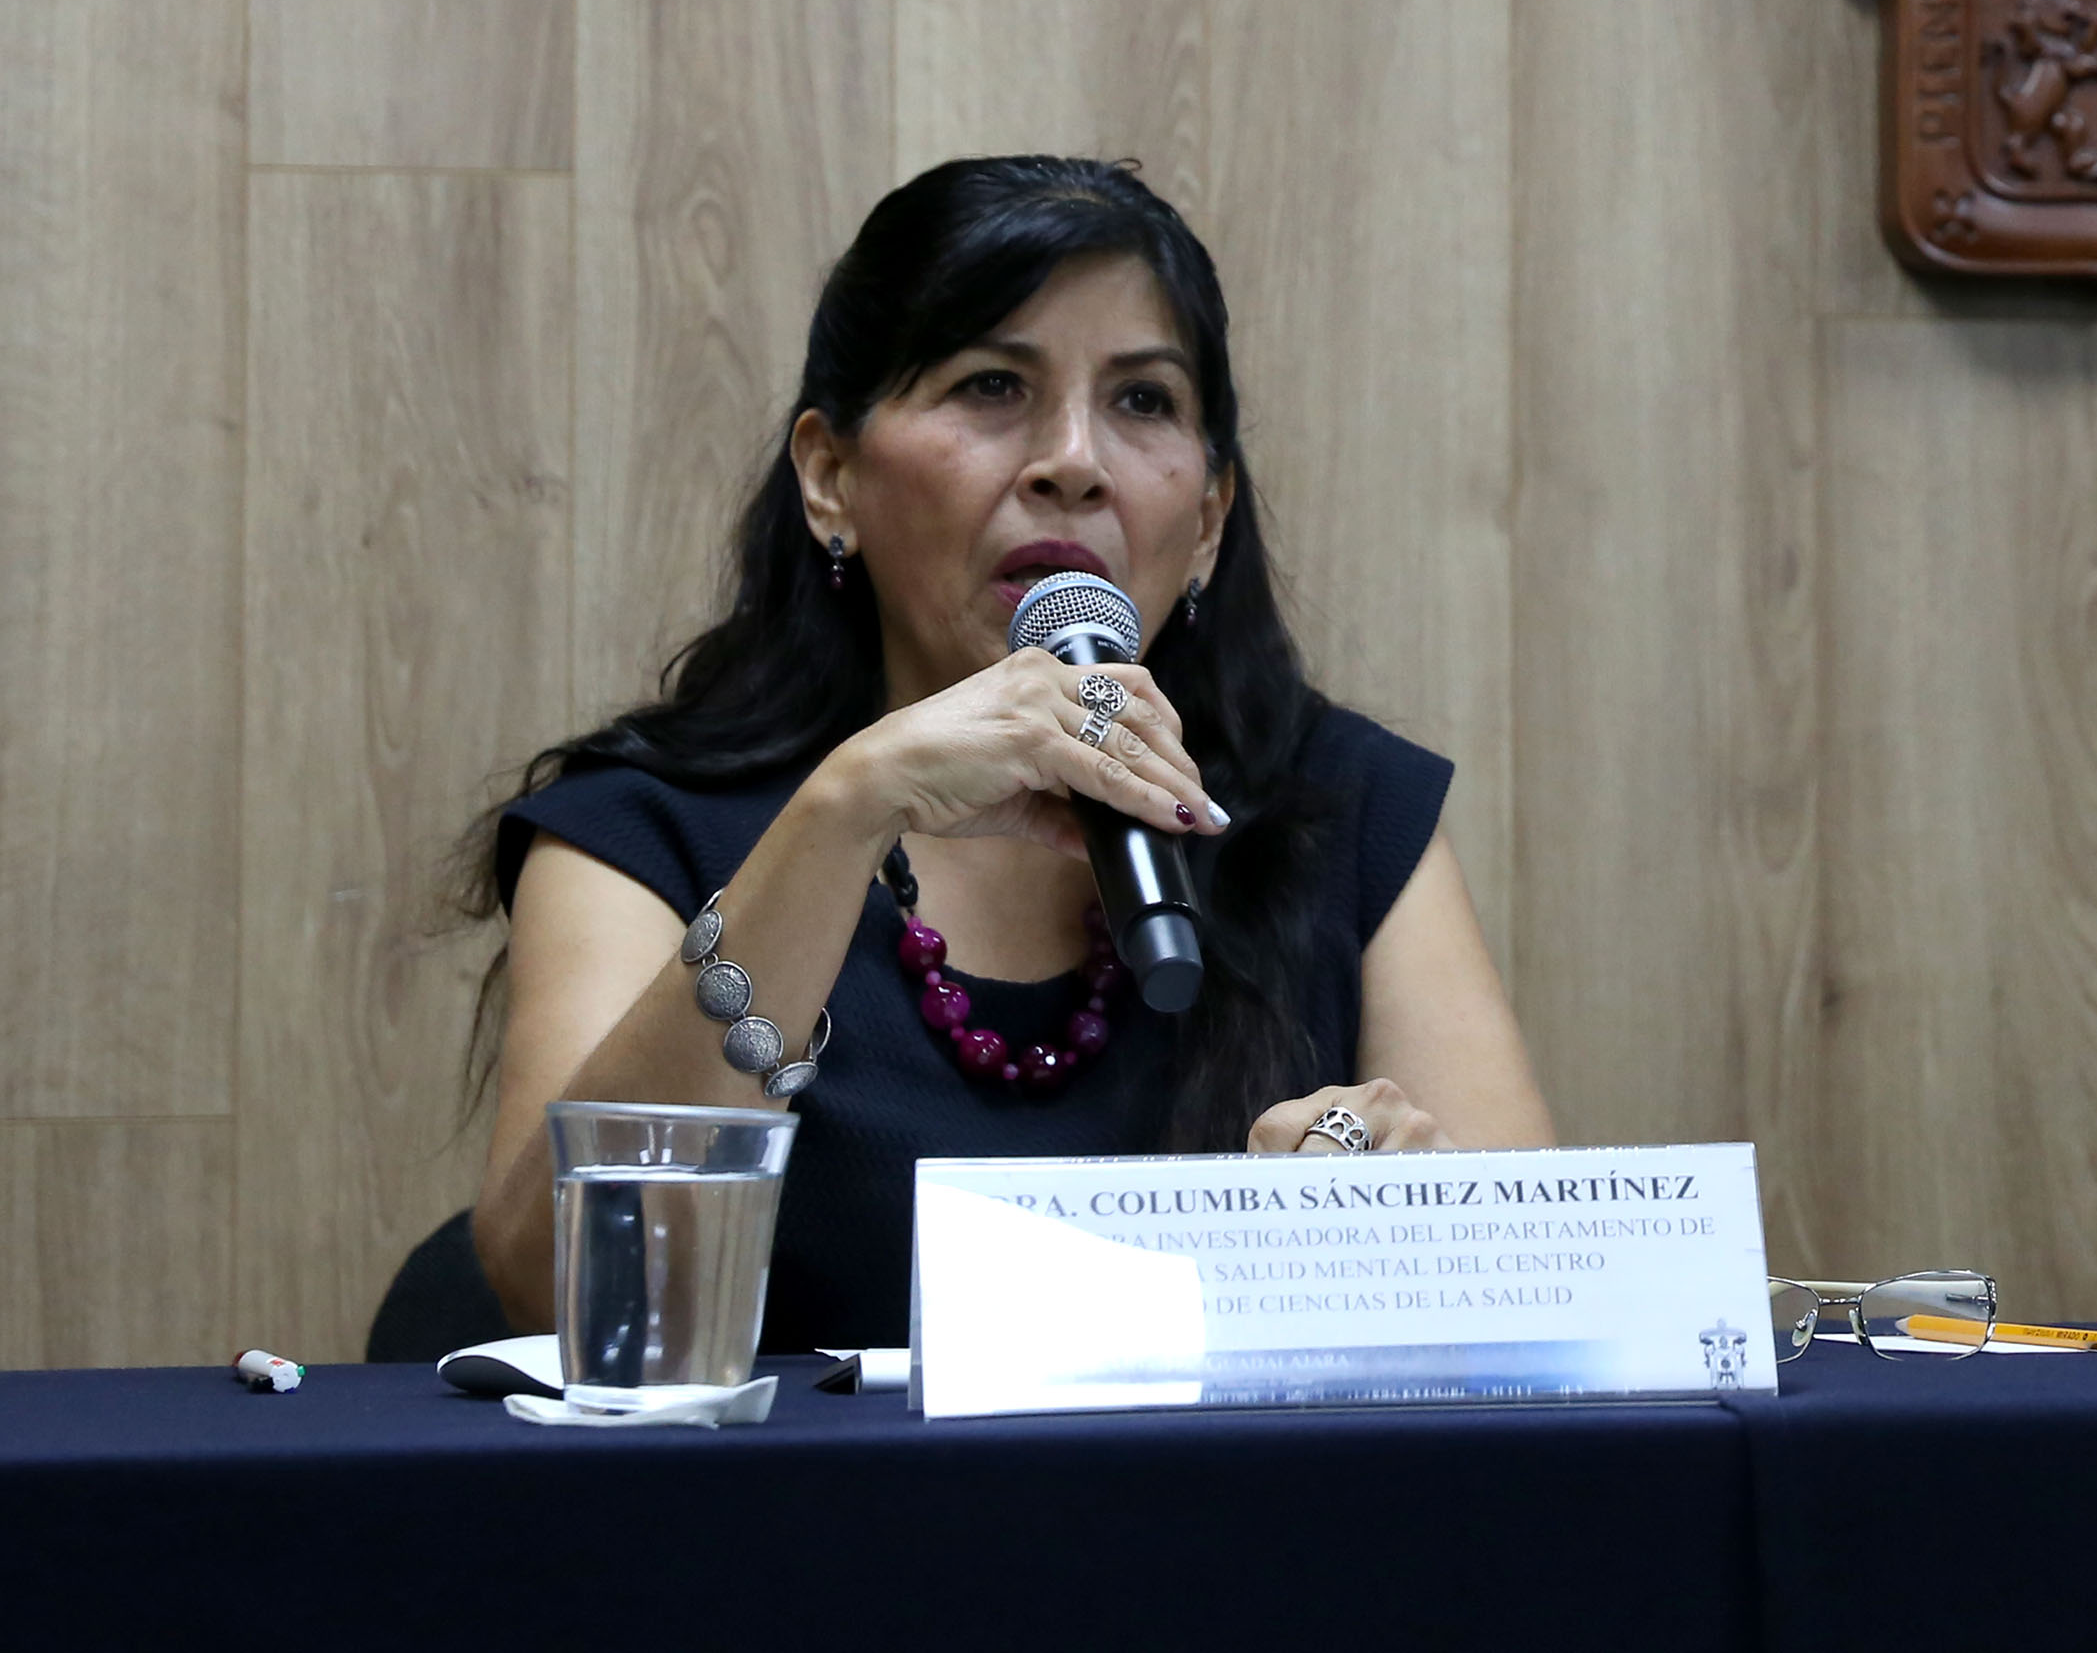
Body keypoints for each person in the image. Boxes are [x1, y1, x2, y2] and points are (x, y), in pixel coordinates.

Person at [463, 156, 1552, 1347]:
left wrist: (1388, 1189)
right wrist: (844, 812)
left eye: (1142, 403)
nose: (1074, 461)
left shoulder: (1345, 814)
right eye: (992, 385)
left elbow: (1542, 1305)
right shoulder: (646, 830)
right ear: (831, 477)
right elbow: (557, 1281)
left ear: (1208, 521)